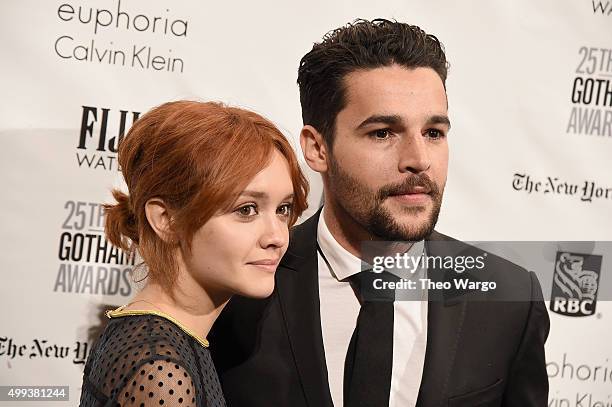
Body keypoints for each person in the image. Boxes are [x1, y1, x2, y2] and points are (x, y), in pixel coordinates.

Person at [209, 19, 550, 407]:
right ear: (318, 149)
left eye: (434, 133)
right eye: (383, 133)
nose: (419, 161)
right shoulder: (236, 287)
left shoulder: (510, 299)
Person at [79, 101, 309, 407]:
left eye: (283, 210)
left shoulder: (159, 342)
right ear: (166, 220)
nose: (278, 237)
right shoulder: (160, 372)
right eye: (246, 209)